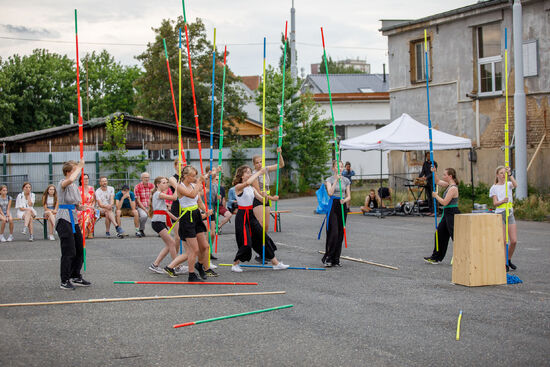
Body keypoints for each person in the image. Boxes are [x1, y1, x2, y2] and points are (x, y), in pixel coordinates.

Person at [231, 165, 289, 273]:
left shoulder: (252, 189)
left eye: (250, 172)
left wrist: (266, 196)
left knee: (263, 237)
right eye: (247, 172)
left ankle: (275, 263)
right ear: (241, 176)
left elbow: (263, 201)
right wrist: (259, 172)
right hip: (242, 217)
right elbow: (248, 182)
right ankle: (235, 264)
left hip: (251, 215)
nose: (249, 174)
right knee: (246, 242)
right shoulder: (238, 187)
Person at [164, 166, 218, 281]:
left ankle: (200, 265)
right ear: (185, 176)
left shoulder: (194, 185)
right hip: (187, 218)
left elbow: (198, 200)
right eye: (192, 176)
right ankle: (191, 274)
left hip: (196, 216)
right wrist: (199, 182)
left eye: (195, 176)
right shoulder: (180, 187)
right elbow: (192, 195)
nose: (195, 178)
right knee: (194, 250)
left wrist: (205, 211)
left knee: (205, 246)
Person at [56, 160, 92, 290]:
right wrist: (80, 167)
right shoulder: (63, 183)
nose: (78, 172)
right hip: (64, 219)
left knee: (79, 249)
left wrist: (83, 207)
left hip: (74, 219)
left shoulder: (74, 187)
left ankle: (75, 276)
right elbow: (70, 180)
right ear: (68, 172)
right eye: (75, 170)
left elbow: (76, 204)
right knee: (68, 251)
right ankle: (64, 280)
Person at [148, 176, 188, 275]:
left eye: (166, 182)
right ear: (158, 184)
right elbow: (174, 198)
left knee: (169, 244)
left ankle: (155, 264)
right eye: (164, 183)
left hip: (160, 222)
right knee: (172, 243)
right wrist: (177, 187)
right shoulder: (158, 194)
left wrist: (175, 218)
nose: (166, 184)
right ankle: (176, 266)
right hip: (157, 222)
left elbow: (164, 210)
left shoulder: (159, 195)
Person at [424, 167, 460, 264]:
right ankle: (436, 257)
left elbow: (444, 202)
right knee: (439, 233)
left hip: (452, 212)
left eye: (445, 174)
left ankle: (459, 256)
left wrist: (436, 196)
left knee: (455, 236)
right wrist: (434, 172)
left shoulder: (453, 188)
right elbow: (437, 181)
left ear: (450, 176)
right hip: (447, 212)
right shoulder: (448, 185)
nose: (443, 176)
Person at [321, 160, 351, 267]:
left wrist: (345, 200)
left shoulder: (346, 180)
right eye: (338, 166)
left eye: (341, 166)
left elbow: (349, 196)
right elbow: (330, 192)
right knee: (333, 233)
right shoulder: (329, 180)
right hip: (333, 205)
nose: (340, 168)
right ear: (333, 168)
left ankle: (336, 259)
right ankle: (328, 257)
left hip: (342, 206)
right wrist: (336, 181)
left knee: (340, 233)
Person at [490, 166, 518, 271]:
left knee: (514, 240)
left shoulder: (509, 185)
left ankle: (509, 259)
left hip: (509, 213)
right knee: (503, 240)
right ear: (497, 175)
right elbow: (495, 203)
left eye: (504, 173)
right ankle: (504, 262)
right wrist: (502, 201)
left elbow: (516, 185)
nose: (503, 175)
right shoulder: (494, 188)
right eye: (501, 173)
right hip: (500, 214)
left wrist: (510, 174)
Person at [251, 146, 284, 232]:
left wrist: (279, 154)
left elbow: (281, 165)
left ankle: (264, 243)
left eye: (261, 162)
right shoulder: (254, 174)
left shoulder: (265, 169)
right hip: (258, 199)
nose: (259, 164)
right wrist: (272, 198)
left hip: (266, 198)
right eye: (257, 163)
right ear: (254, 164)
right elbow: (259, 192)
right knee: (260, 224)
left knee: (266, 226)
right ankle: (256, 242)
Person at [134, 172, 154, 237]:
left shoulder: (152, 186)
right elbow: (138, 201)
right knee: (144, 216)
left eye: (148, 177)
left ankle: (161, 231)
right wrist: (145, 210)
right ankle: (141, 229)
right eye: (145, 177)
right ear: (141, 178)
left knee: (159, 214)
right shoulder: (137, 187)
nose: (147, 179)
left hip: (151, 206)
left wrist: (151, 208)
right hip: (141, 206)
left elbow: (154, 197)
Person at [77, 173, 96, 239]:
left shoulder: (92, 188)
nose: (86, 180)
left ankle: (83, 231)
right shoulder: (78, 189)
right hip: (81, 207)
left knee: (89, 211)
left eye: (87, 178)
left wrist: (92, 206)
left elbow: (94, 200)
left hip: (90, 207)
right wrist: (81, 206)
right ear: (81, 180)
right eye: (84, 179)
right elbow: (77, 201)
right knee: (83, 212)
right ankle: (88, 231)